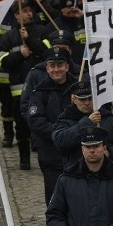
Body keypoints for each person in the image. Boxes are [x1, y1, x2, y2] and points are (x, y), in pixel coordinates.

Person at [0, 0, 51, 169]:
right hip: (18, 90)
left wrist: (30, 40)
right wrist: (19, 54)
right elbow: (0, 62)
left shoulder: (42, 31)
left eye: (30, 10)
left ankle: (44, 156)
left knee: (42, 124)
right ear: (16, 15)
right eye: (24, 10)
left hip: (41, 88)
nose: (29, 13)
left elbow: (47, 52)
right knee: (21, 126)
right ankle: (24, 158)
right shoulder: (9, 37)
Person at [26, 46, 74, 205]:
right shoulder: (39, 92)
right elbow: (36, 121)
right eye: (52, 66)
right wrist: (60, 134)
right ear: (47, 68)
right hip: (51, 152)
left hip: (76, 152)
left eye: (60, 65)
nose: (56, 70)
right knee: (55, 195)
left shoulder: (79, 88)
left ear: (67, 66)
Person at [52, 78, 113, 171]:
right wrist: (87, 122)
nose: (87, 103)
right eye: (82, 99)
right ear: (74, 99)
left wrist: (110, 153)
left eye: (90, 98)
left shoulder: (107, 117)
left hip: (107, 173)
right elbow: (61, 142)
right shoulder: (66, 118)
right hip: (77, 173)